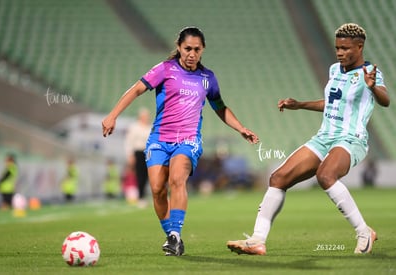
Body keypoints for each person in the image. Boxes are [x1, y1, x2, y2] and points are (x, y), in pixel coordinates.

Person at [227, 23, 389, 255]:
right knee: (278, 178)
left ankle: (364, 232)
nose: (340, 53)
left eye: (345, 48)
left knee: (325, 175)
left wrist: (373, 87)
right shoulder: (335, 70)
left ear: (360, 46)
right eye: (337, 48)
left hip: (351, 138)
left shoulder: (369, 73)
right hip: (324, 137)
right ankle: (257, 240)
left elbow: (385, 101)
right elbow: (331, 104)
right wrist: (300, 104)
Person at [102, 26, 259, 256]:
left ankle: (175, 235)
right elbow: (137, 90)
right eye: (187, 49)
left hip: (188, 140)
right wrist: (112, 115)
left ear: (203, 49)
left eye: (196, 49)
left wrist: (240, 128)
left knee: (177, 180)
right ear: (178, 47)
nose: (191, 54)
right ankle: (172, 238)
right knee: (157, 190)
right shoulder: (164, 70)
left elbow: (220, 107)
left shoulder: (208, 78)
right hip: (159, 139)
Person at [124, 107, 152, 207]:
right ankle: (141, 197)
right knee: (141, 176)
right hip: (139, 152)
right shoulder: (134, 127)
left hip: (149, 152)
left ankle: (152, 196)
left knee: (151, 175)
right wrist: (130, 155)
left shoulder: (150, 127)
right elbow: (129, 142)